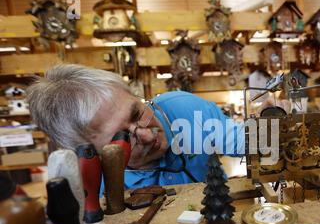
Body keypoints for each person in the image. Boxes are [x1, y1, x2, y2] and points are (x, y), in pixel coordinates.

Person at [27, 64, 246, 189]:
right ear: (92, 155)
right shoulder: (91, 187)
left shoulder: (184, 108)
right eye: (122, 138)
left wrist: (273, 123)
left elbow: (247, 141)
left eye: (137, 113)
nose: (148, 136)